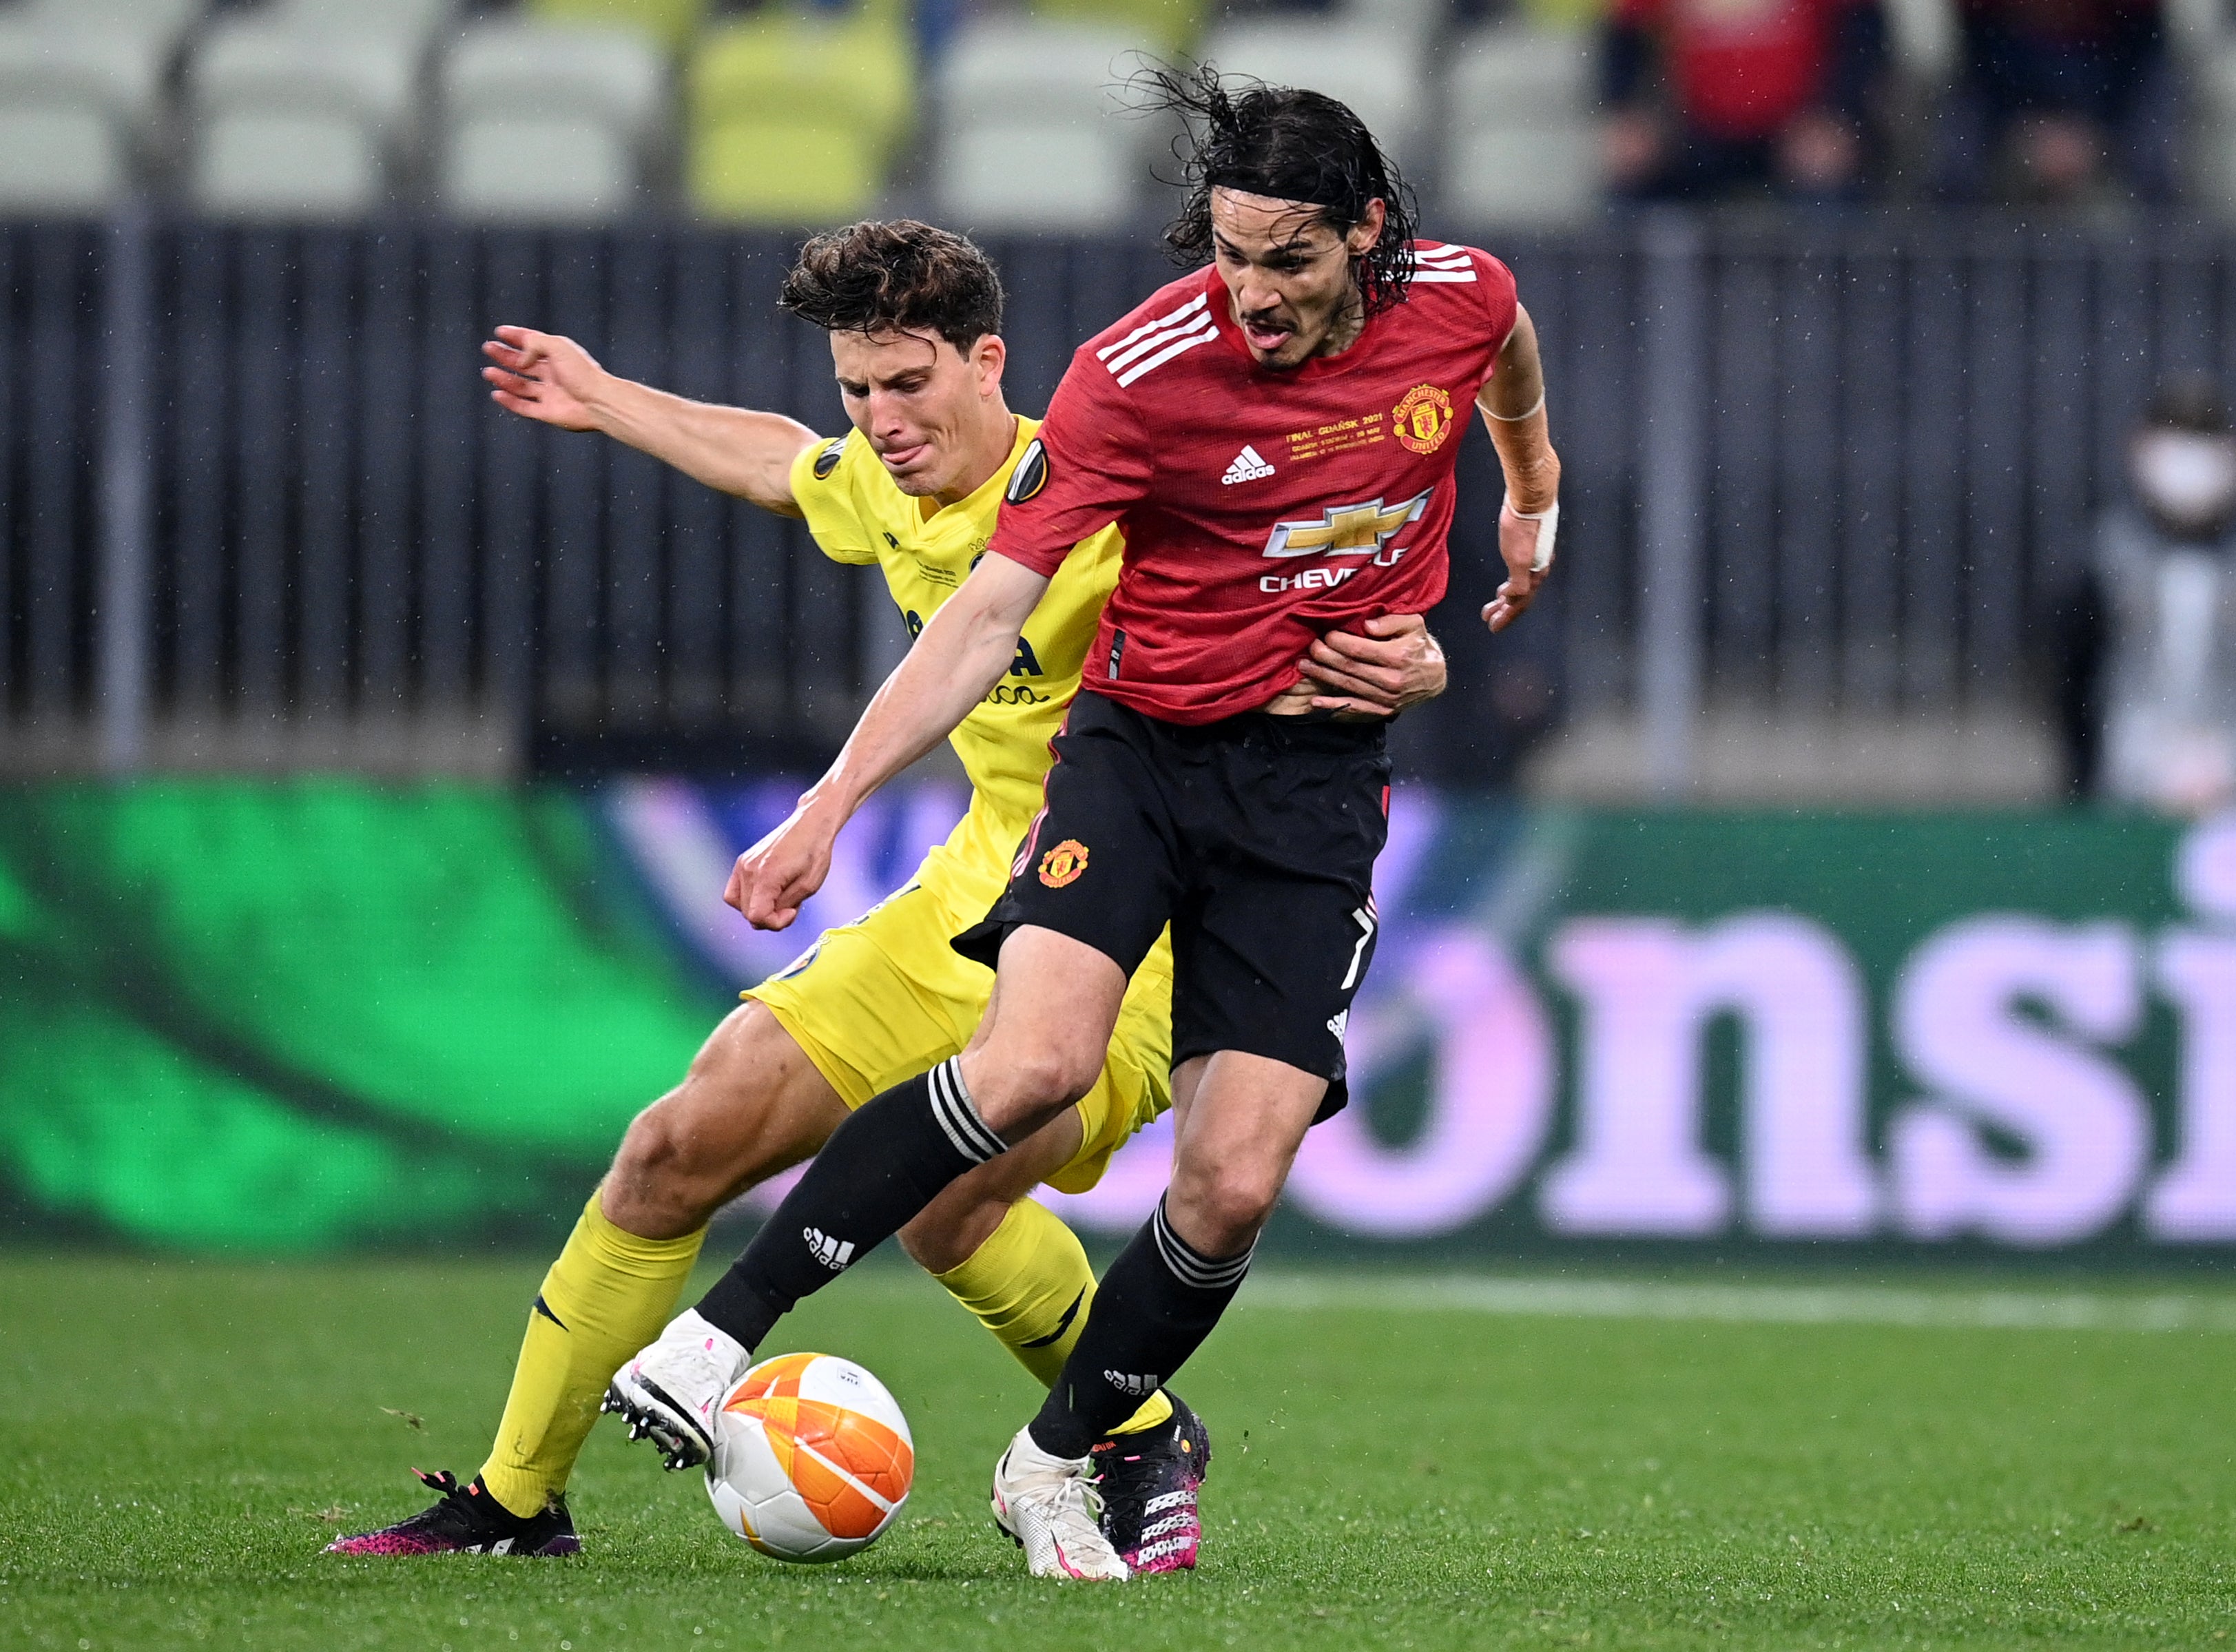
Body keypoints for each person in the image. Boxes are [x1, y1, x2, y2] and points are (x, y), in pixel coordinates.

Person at [325, 219, 1448, 1570]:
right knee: (676, 1142)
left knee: (954, 1201)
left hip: (1142, 933)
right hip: (973, 893)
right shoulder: (883, 478)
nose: (882, 420)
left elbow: (1322, 570)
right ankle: (516, 1503)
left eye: (909, 386)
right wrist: (606, 395)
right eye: (860, 390)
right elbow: (777, 462)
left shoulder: (1109, 485)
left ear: (990, 363)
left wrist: (1417, 659)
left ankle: (1138, 1422)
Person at [604, 71, 1560, 1582]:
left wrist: (1532, 496)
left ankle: (1053, 1459)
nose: (1252, 294)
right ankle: (715, 1335)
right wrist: (831, 799)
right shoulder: (1140, 373)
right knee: (1029, 1061)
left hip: (1314, 790)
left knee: (1234, 1181)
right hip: (1139, 755)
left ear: (1371, 234)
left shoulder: (1460, 296)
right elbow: (989, 606)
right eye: (1230, 255)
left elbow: (1504, 351)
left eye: (1290, 261)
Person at [2052, 378, 2236, 811]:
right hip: (2127, 773)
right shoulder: (2102, 558)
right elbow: (2074, 683)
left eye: (2205, 444)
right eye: (2177, 444)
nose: (2190, 466)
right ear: (2141, 451)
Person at [1600, 0, 1887, 203]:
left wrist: (1838, 117)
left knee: (1831, 198)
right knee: (1634, 190)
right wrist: (1627, 116)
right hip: (1697, 132)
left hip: (1798, 130)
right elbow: (1625, 36)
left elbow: (1862, 33)